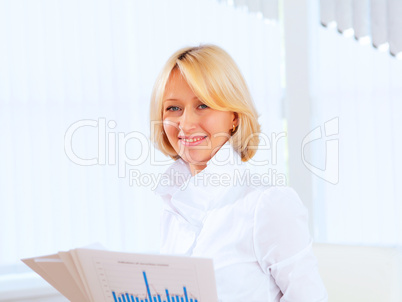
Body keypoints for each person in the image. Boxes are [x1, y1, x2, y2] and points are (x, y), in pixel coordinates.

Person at [150, 44, 328, 302]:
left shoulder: (267, 204)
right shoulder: (172, 207)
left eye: (202, 105)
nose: (185, 124)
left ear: (233, 116)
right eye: (173, 108)